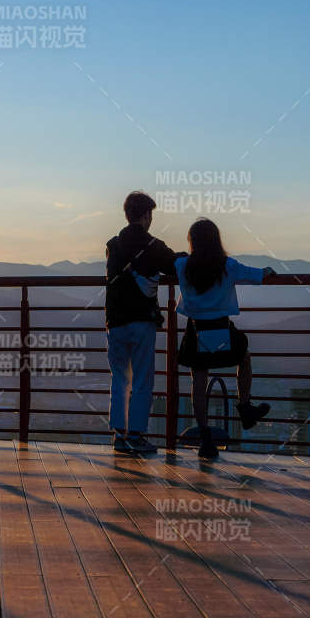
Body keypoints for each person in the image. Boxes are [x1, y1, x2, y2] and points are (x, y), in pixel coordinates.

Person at [173, 218, 274, 460]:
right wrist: (268, 271)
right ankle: (245, 406)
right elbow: (258, 275)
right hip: (222, 329)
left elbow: (170, 263)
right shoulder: (228, 265)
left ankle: (205, 438)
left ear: (192, 241)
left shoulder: (182, 265)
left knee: (198, 383)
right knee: (244, 357)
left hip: (196, 330)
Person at [105, 191, 181, 456]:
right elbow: (174, 265)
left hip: (115, 320)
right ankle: (136, 436)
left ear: (127, 214)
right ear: (147, 215)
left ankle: (119, 435)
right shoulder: (153, 245)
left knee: (119, 378)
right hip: (141, 320)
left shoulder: (113, 245)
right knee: (142, 379)